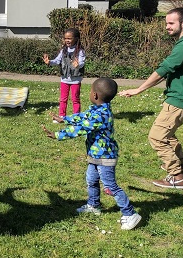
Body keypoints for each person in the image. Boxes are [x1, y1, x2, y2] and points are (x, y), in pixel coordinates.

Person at [118, 8, 183, 190]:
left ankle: (178, 177)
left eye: (171, 23)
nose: (167, 27)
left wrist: (139, 89)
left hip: (180, 99)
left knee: (156, 137)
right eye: (166, 23)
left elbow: (163, 71)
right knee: (168, 135)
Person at [43, 78, 142, 230]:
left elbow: (82, 128)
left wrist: (58, 135)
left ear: (95, 95)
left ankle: (130, 213)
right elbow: (82, 117)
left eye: (90, 91)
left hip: (105, 157)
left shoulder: (101, 115)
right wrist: (64, 119)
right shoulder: (97, 110)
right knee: (91, 180)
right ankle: (94, 205)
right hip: (95, 156)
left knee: (110, 186)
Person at [42, 28, 86, 119]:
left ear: (76, 39)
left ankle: (76, 117)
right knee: (63, 99)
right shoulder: (64, 50)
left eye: (69, 38)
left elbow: (82, 62)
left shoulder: (80, 51)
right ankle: (61, 116)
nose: (67, 40)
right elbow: (58, 61)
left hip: (75, 80)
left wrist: (78, 65)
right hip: (64, 79)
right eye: (65, 38)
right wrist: (49, 62)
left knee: (75, 99)